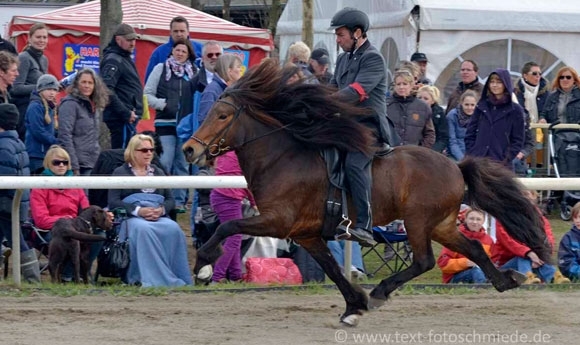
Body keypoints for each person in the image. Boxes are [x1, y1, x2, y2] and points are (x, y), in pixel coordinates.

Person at [329, 7, 395, 247]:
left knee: (354, 165)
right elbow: (331, 88)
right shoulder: (343, 59)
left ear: (357, 33)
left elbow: (355, 93)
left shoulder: (374, 58)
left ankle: (365, 226)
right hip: (346, 126)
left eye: (340, 35)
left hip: (369, 127)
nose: (337, 40)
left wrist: (326, 103)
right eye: (336, 35)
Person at [107, 134, 192, 287]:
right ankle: (147, 277)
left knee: (174, 228)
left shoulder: (158, 172)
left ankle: (174, 275)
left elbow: (170, 199)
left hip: (157, 215)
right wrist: (138, 211)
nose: (149, 153)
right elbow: (113, 201)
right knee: (143, 229)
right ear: (133, 152)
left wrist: (161, 210)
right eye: (144, 150)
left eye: (151, 150)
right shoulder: (120, 172)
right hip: (132, 218)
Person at [29, 145, 108, 281]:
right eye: (56, 162)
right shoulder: (39, 187)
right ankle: (68, 276)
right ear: (48, 164)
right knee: (69, 238)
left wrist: (104, 217)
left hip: (75, 227)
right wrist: (65, 220)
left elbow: (87, 211)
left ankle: (83, 272)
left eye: (65, 162)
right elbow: (41, 219)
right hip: (49, 230)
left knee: (100, 234)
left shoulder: (75, 185)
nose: (61, 165)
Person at [144, 39, 197, 212]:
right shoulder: (161, 68)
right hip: (165, 121)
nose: (180, 53)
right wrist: (164, 104)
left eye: (184, 51)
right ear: (172, 51)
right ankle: (160, 197)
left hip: (185, 124)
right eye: (177, 50)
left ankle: (179, 202)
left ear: (189, 54)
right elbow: (147, 94)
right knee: (164, 162)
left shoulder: (194, 72)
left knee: (182, 164)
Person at [0, 103, 40, 283]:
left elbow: (5, 179)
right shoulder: (17, 142)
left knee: (18, 242)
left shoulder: (3, 146)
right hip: (13, 202)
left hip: (5, 204)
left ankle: (33, 280)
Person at [210, 151, 257, 284]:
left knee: (234, 237)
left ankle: (235, 275)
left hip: (222, 196)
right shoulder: (241, 154)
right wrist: (254, 203)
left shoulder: (227, 152)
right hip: (228, 198)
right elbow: (248, 182)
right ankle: (217, 277)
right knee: (234, 238)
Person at [465, 68, 525, 169]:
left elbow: (518, 140)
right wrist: (473, 153)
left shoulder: (515, 110)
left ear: (506, 84)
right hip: (479, 162)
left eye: (499, 82)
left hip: (501, 165)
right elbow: (470, 133)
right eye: (492, 82)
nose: (494, 85)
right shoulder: (481, 106)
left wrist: (505, 158)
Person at [58, 68, 108, 176]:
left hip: (92, 162)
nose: (87, 86)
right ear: (76, 83)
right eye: (83, 82)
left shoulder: (94, 105)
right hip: (77, 165)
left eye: (90, 83)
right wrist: (73, 164)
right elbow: (65, 135)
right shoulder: (69, 104)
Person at [100, 23, 142, 150]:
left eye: (134, 39)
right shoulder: (114, 59)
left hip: (127, 117)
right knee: (122, 155)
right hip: (122, 118)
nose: (133, 43)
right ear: (118, 40)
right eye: (129, 40)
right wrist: (125, 113)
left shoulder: (123, 57)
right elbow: (107, 89)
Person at [11, 23, 50, 141]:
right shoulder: (24, 58)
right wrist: (41, 88)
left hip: (39, 108)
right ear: (29, 38)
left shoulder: (44, 59)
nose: (42, 40)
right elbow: (15, 88)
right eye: (38, 37)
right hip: (24, 110)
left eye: (44, 37)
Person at [437, 208, 492, 283]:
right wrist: (467, 263)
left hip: (481, 273)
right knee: (475, 271)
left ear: (483, 221)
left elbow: (493, 261)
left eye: (478, 219)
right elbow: (443, 263)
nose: (474, 222)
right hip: (455, 278)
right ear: (465, 219)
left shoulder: (488, 240)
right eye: (471, 218)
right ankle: (484, 290)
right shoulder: (455, 238)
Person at [513, 62, 550, 175]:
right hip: (522, 132)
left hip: (541, 135)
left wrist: (543, 118)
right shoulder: (515, 92)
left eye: (540, 73)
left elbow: (548, 112)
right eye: (534, 73)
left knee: (539, 165)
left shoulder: (546, 93)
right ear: (525, 75)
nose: (538, 76)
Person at [144, 16, 202, 82]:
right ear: (170, 32)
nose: (179, 34)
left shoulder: (201, 49)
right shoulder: (159, 53)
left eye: (182, 31)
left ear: (188, 32)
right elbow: (149, 80)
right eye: (175, 31)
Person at [387, 69, 435, 147]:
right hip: (390, 153)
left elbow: (429, 133)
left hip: (413, 154)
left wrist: (420, 151)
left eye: (405, 84)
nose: (401, 87)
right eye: (398, 84)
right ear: (394, 86)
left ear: (411, 85)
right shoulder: (386, 105)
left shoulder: (423, 107)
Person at [24, 74, 59, 173]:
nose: (52, 93)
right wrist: (56, 141)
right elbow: (38, 131)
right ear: (40, 90)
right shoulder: (35, 106)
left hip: (46, 152)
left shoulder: (50, 107)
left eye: (54, 90)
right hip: (36, 153)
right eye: (48, 89)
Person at [197, 54, 243, 125]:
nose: (241, 70)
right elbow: (203, 119)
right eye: (238, 67)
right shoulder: (212, 90)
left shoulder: (228, 89)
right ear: (229, 70)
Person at [446, 90, 478, 161]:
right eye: (466, 104)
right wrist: (463, 159)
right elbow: (452, 141)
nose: (469, 108)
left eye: (472, 105)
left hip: (473, 155)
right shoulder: (452, 115)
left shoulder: (479, 117)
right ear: (461, 103)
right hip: (454, 154)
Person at [417, 85, 448, 153]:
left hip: (432, 150)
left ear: (432, 101)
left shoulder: (439, 114)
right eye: (419, 98)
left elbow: (443, 137)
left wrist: (434, 151)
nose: (422, 101)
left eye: (426, 98)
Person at [558, 202, 580, 281]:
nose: (577, 220)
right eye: (575, 217)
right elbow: (566, 264)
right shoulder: (568, 238)